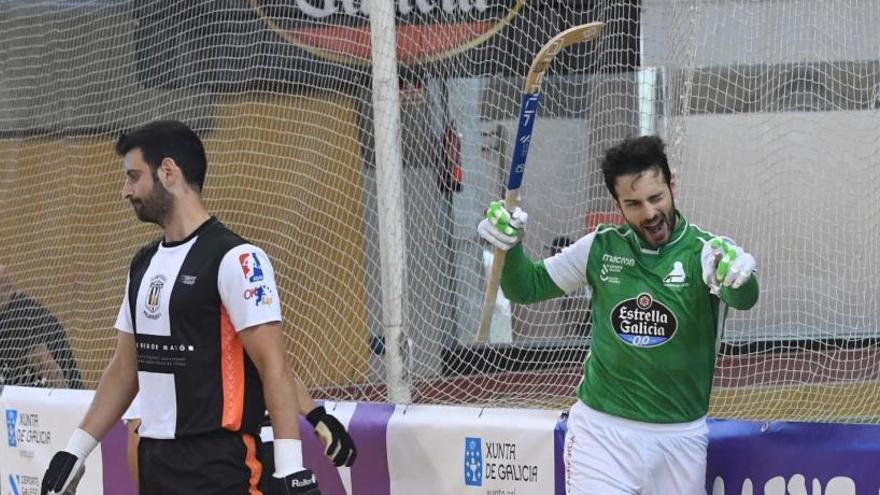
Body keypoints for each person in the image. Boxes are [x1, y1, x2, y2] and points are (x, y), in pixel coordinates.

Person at [41, 120, 355, 495]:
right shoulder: (142, 265)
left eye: (133, 176)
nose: (125, 190)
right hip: (155, 462)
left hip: (219, 466)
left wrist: (291, 468)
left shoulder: (237, 259)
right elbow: (125, 370)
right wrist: (74, 451)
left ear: (168, 171)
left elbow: (273, 366)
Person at [478, 135, 758, 494]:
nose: (650, 213)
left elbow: (743, 298)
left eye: (656, 198)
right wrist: (510, 247)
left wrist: (741, 276)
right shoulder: (600, 247)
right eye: (634, 204)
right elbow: (526, 288)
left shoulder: (706, 252)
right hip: (601, 435)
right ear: (618, 205)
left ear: (673, 185)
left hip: (680, 438)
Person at [0, 264, 83, 389]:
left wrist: (66, 404)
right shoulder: (16, 311)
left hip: (59, 402)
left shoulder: (18, 319)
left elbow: (49, 368)